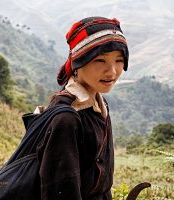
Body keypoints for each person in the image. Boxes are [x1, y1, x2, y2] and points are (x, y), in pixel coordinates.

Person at [35, 16, 129, 200]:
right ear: (78, 62)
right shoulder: (67, 119)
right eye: (100, 61)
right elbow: (60, 193)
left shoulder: (99, 104)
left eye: (118, 60)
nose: (112, 71)